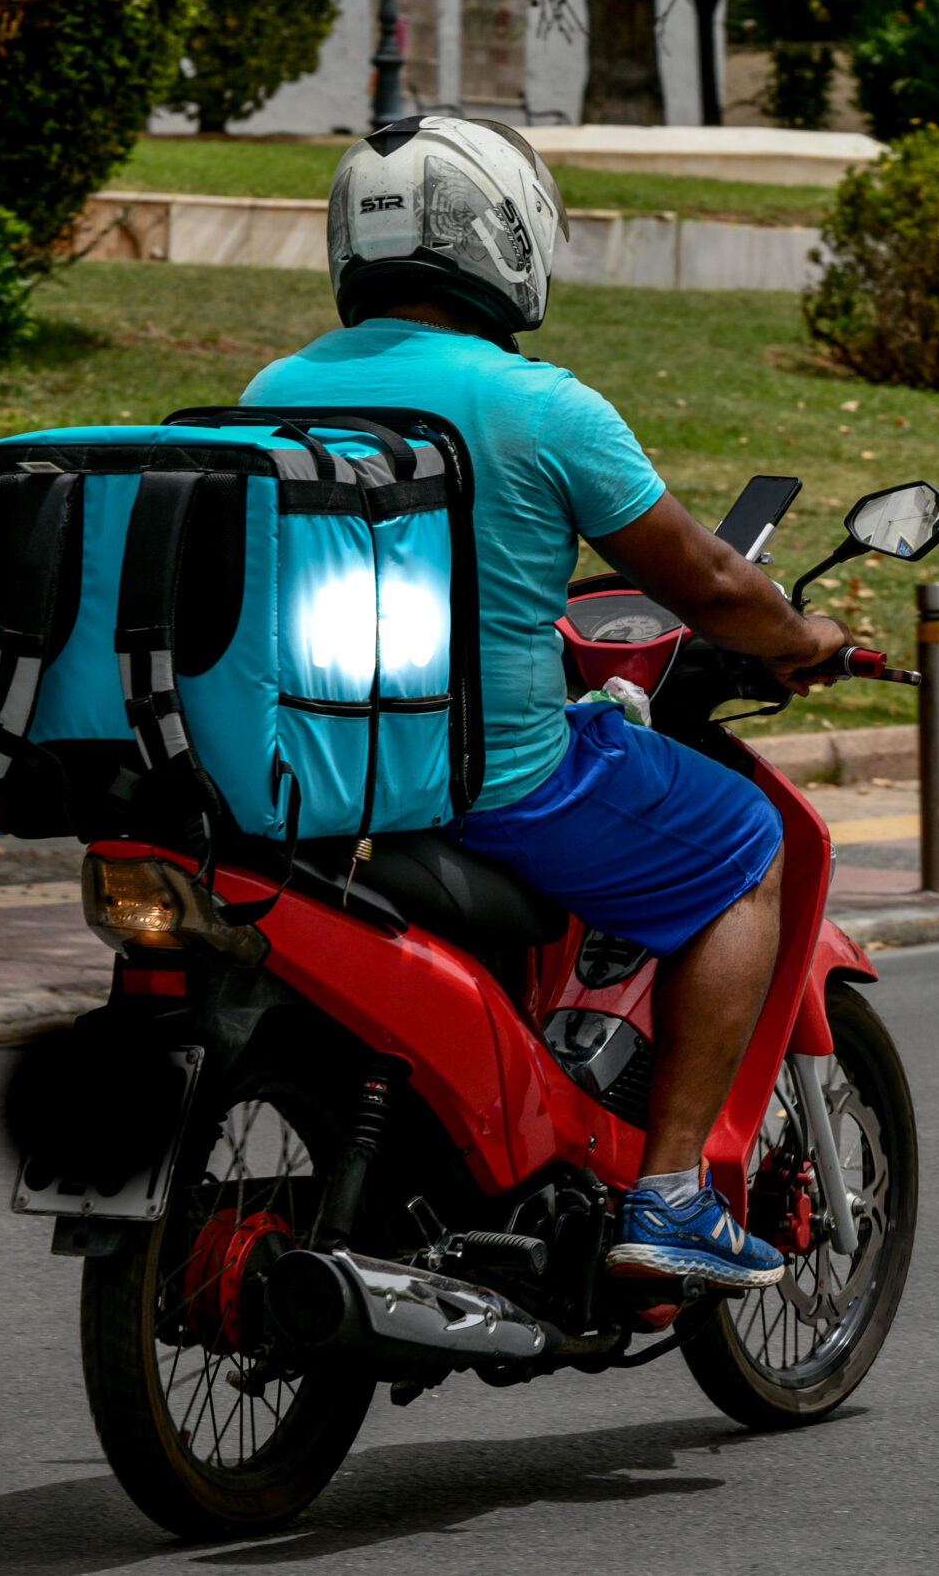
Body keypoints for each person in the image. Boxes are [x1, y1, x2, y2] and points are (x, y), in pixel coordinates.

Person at [241, 117, 849, 1289]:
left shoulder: (275, 387)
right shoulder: (543, 405)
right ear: (500, 237)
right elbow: (711, 581)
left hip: (324, 766)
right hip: (497, 778)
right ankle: (670, 1195)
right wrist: (803, 637)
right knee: (747, 842)